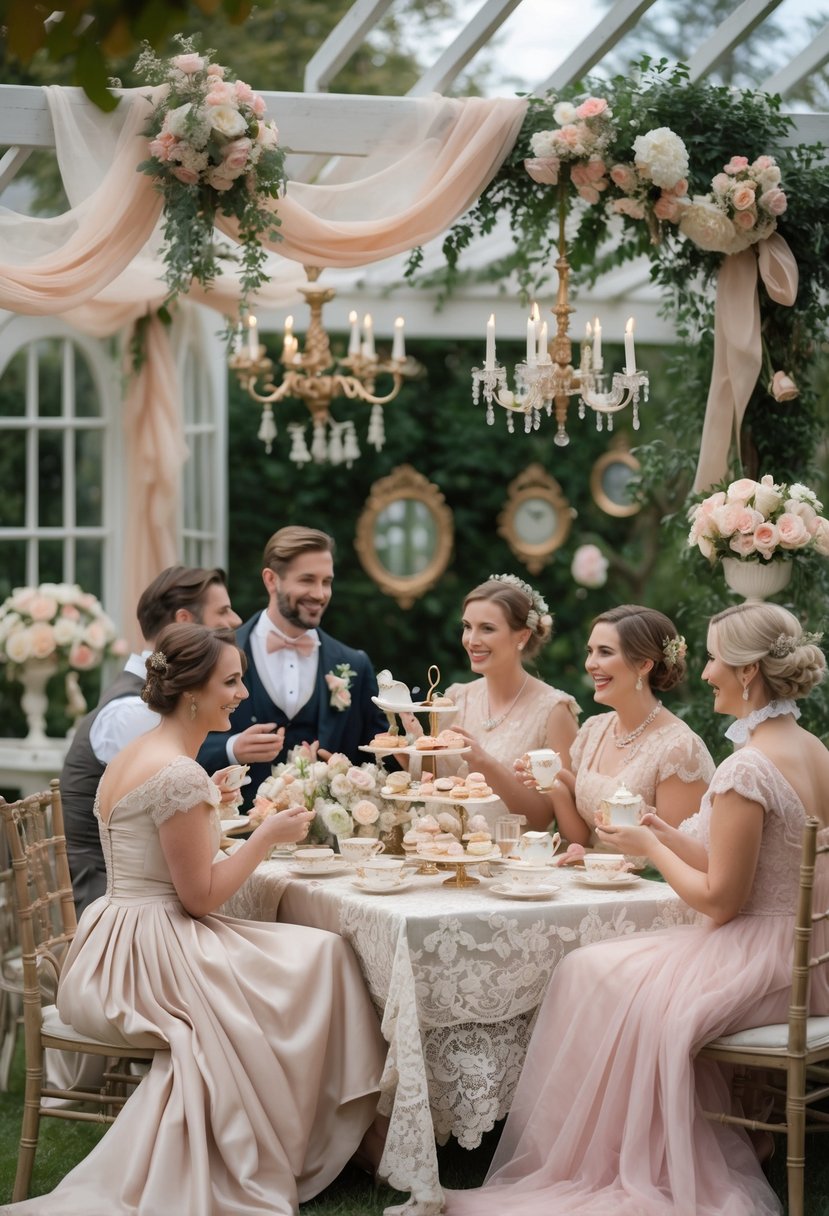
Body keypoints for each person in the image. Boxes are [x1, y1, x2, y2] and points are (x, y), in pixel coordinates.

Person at [444, 601, 829, 1216]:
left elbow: (720, 901)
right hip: (809, 955)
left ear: (748, 673)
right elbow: (756, 864)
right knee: (594, 968)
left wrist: (650, 845)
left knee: (587, 974)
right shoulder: (811, 747)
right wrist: (664, 832)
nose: (703, 673)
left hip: (763, 960)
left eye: (713, 659)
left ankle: (611, 1161)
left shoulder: (746, 766)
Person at [5, 624, 387, 1216]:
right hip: (147, 955)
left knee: (313, 954)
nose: (241, 693)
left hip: (109, 937)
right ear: (190, 694)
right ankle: (328, 1135)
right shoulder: (177, 774)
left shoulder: (139, 753)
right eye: (231, 682)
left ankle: (334, 1129)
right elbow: (200, 899)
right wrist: (266, 835)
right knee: (323, 958)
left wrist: (212, 808)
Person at [61, 564, 247, 914]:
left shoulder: (144, 704)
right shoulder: (135, 711)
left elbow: (148, 803)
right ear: (183, 622)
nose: (234, 621)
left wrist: (207, 790)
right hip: (111, 898)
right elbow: (165, 792)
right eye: (222, 612)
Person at [198, 526, 389, 795]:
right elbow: (180, 745)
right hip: (239, 832)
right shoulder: (215, 654)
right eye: (307, 580)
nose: (320, 594)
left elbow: (381, 758)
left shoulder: (354, 664)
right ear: (271, 580)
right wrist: (231, 748)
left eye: (327, 582)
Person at [404, 575, 580, 831]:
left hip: (515, 862)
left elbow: (545, 819)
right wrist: (410, 747)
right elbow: (434, 788)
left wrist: (485, 763)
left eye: (487, 628)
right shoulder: (456, 698)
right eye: (467, 626)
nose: (472, 640)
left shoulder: (554, 711)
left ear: (522, 637)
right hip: (443, 853)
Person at [532, 604, 714, 842]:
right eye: (590, 651)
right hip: (590, 875)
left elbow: (678, 853)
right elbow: (581, 838)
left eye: (605, 652)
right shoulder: (593, 730)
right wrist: (554, 783)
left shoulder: (679, 750)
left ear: (644, 665)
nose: (590, 663)